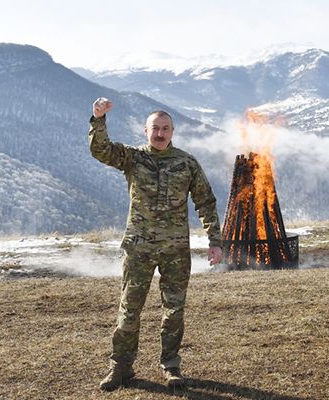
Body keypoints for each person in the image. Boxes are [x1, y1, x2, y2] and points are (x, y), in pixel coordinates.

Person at [89, 98, 223, 391]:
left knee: (174, 311)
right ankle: (121, 368)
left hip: (175, 250)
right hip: (139, 248)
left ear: (172, 131)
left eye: (165, 129)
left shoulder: (186, 163)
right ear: (145, 130)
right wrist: (98, 119)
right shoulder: (133, 158)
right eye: (155, 129)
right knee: (129, 310)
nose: (160, 134)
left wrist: (214, 240)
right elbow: (101, 150)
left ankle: (172, 366)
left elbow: (206, 202)